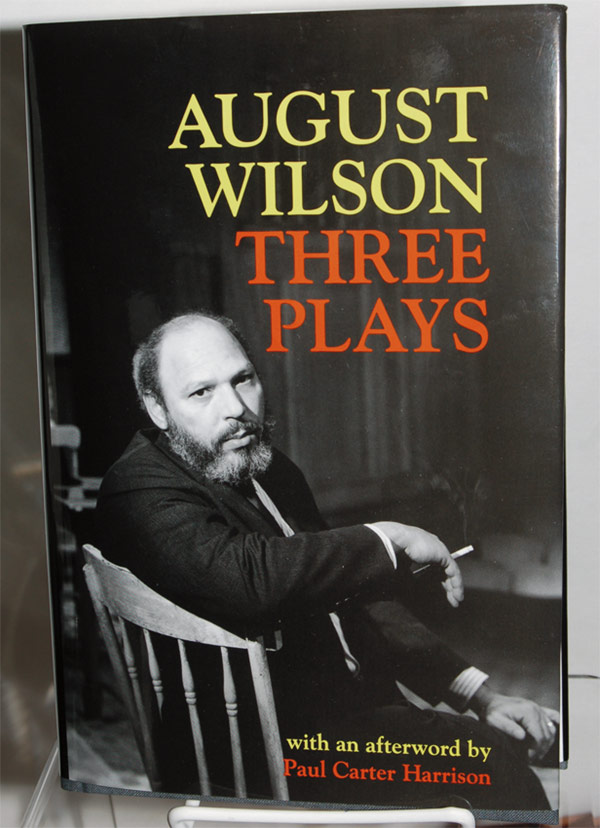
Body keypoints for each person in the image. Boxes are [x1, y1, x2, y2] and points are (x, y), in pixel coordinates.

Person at [95, 311, 558, 809]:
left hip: (349, 725)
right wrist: (387, 537)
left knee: (501, 759)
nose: (236, 408)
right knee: (500, 771)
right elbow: (247, 579)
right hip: (262, 761)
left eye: (243, 379)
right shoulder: (137, 487)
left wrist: (481, 696)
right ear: (157, 408)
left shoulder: (265, 467)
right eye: (202, 392)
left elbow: (351, 593)